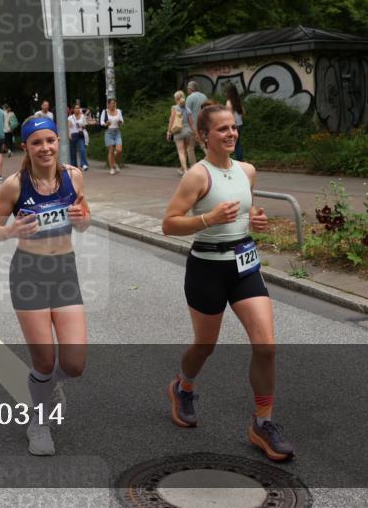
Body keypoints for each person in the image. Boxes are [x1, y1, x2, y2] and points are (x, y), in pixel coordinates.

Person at [161, 103, 294, 462]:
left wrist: (257, 221)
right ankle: (183, 387)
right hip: (207, 268)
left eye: (233, 127)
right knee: (205, 346)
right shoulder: (197, 176)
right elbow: (169, 224)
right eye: (222, 129)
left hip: (245, 265)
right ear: (204, 136)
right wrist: (208, 218)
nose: (231, 133)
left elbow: (245, 212)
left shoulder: (247, 171)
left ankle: (262, 423)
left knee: (266, 346)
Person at [0, 116, 90, 456]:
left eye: (50, 141)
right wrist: (10, 231)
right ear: (26, 147)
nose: (45, 148)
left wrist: (82, 219)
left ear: (58, 142)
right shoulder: (16, 185)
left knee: (73, 364)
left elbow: (84, 219)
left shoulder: (74, 176)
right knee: (43, 360)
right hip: (28, 272)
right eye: (36, 143)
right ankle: (39, 421)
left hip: (65, 270)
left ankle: (46, 386)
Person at [167, 90, 193, 175]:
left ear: (176, 98)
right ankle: (182, 168)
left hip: (179, 131)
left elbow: (171, 120)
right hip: (188, 131)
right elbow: (191, 122)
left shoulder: (174, 108)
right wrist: (193, 132)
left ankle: (185, 171)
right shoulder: (188, 109)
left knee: (181, 152)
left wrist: (169, 131)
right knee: (184, 151)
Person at [100, 99, 124, 174]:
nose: (113, 105)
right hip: (109, 132)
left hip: (117, 132)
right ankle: (112, 168)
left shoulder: (119, 111)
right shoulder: (105, 112)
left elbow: (122, 121)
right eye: (112, 103)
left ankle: (114, 163)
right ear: (108, 104)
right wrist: (106, 124)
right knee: (111, 151)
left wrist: (120, 122)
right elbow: (101, 122)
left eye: (114, 103)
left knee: (119, 150)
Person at [185, 81, 208, 159]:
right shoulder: (204, 96)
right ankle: (213, 163)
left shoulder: (190, 97)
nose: (187, 91)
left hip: (193, 126)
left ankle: (193, 167)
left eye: (187, 89)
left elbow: (187, 113)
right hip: (203, 124)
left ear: (190, 88)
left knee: (190, 148)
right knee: (204, 145)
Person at [225, 85, 246, 162]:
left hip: (233, 125)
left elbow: (228, 115)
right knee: (238, 143)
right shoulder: (238, 101)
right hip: (240, 124)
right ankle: (240, 160)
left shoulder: (229, 102)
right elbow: (243, 112)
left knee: (229, 143)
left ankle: (228, 161)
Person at [67, 103, 89, 171]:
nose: (77, 109)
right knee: (73, 151)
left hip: (80, 134)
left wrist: (81, 125)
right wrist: (69, 134)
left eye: (78, 108)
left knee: (82, 149)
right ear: (73, 109)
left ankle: (84, 164)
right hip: (73, 134)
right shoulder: (70, 117)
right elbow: (69, 127)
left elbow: (85, 126)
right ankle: (74, 165)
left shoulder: (82, 116)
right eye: (76, 108)